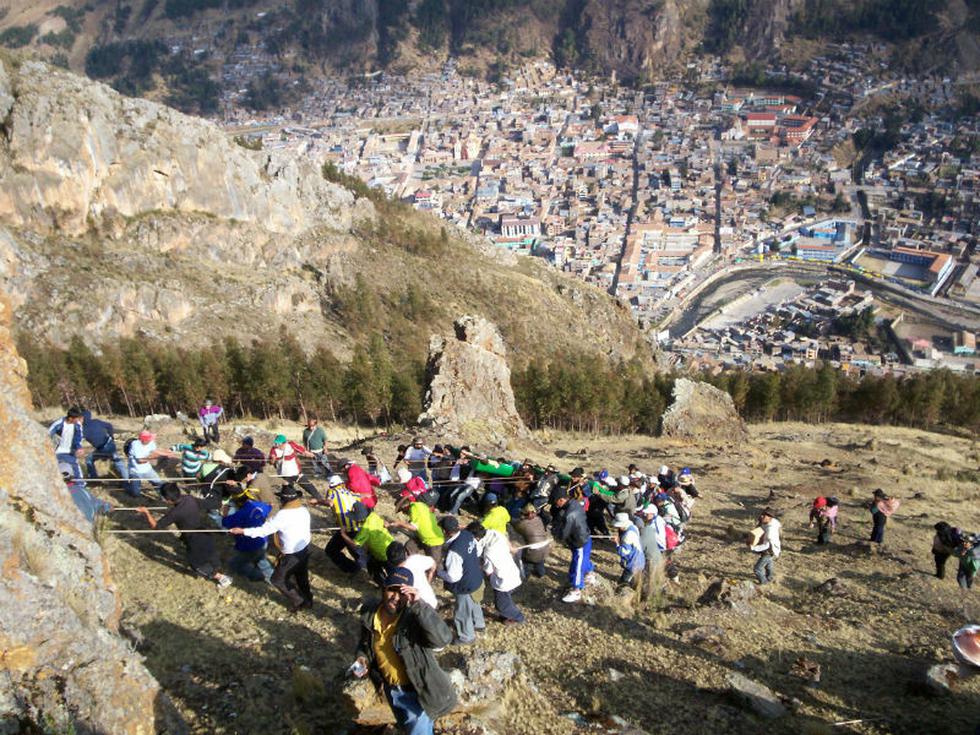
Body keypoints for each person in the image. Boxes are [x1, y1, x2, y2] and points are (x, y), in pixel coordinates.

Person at [351, 567, 457, 735]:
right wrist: (362, 658)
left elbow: (442, 638)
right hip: (391, 690)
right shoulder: (370, 613)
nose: (395, 597)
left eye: (402, 592)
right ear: (383, 589)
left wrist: (419, 604)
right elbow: (365, 644)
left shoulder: (413, 618)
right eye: (392, 590)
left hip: (417, 692)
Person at [230, 483, 313, 612]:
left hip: (291, 554)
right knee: (301, 577)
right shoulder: (303, 510)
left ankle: (299, 600)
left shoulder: (283, 515)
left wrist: (243, 531)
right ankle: (308, 599)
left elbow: (264, 531)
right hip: (304, 549)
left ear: (284, 500)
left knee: (277, 580)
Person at [138, 483, 231, 587]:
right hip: (204, 533)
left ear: (168, 499)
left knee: (196, 565)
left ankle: (222, 578)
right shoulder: (189, 498)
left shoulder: (175, 513)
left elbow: (156, 526)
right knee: (210, 553)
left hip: (194, 540)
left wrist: (146, 512)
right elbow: (207, 504)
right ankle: (216, 566)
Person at [436, 516, 484, 645]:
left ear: (445, 531)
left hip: (464, 585)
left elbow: (453, 577)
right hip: (476, 577)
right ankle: (478, 623)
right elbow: (478, 551)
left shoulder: (454, 551)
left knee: (462, 612)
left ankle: (466, 637)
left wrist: (439, 572)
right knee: (475, 601)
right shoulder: (467, 534)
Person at [221, 484, 274, 583]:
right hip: (263, 540)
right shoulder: (260, 505)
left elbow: (225, 523)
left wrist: (224, 512)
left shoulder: (239, 515)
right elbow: (269, 507)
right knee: (261, 559)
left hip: (249, 546)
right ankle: (273, 578)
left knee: (235, 564)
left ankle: (258, 577)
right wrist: (270, 505)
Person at [553, 487, 594, 603]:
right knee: (585, 559)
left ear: (561, 500)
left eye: (556, 501)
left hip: (578, 541)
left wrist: (556, 536)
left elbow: (563, 533)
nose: (555, 504)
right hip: (586, 535)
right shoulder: (575, 503)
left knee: (577, 564)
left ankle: (576, 590)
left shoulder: (569, 515)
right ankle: (590, 573)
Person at [324, 475, 368, 575]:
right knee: (356, 550)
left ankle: (353, 568)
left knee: (331, 550)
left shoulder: (332, 492)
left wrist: (318, 501)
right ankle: (361, 568)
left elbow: (330, 503)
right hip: (357, 527)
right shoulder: (348, 492)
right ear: (341, 483)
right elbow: (362, 496)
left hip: (346, 528)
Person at [388, 492, 446, 567]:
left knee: (434, 565)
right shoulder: (420, 505)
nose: (403, 512)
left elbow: (414, 527)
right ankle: (410, 565)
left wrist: (399, 523)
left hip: (433, 541)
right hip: (424, 537)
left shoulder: (414, 509)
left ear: (405, 506)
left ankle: (433, 575)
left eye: (402, 510)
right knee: (410, 546)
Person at [268, 435, 323, 502]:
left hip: (296, 472)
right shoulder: (274, 449)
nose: (277, 445)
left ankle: (319, 498)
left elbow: (303, 451)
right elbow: (271, 461)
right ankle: (290, 497)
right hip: (285, 475)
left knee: (307, 485)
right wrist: (272, 460)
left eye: (279, 443)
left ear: (284, 443)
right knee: (287, 494)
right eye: (276, 443)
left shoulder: (291, 445)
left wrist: (312, 455)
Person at [386, 541, 438, 609]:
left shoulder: (392, 576)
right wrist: (429, 578)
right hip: (430, 601)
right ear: (405, 553)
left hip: (415, 608)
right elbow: (433, 564)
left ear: (389, 560)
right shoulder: (415, 559)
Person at [81, 410, 128, 483]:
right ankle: (95, 479)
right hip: (104, 447)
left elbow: (77, 438)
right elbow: (109, 425)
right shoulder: (95, 422)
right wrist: (111, 436)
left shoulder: (84, 429)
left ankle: (127, 480)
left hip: (107, 446)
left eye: (81, 417)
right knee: (89, 459)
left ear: (83, 418)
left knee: (117, 461)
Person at [126, 431, 178, 497]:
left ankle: (162, 496)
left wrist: (167, 454)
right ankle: (126, 485)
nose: (150, 440)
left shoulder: (150, 442)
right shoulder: (135, 445)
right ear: (143, 440)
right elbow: (140, 461)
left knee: (160, 484)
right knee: (135, 493)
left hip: (148, 469)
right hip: (135, 472)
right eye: (149, 439)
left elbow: (155, 450)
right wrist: (152, 458)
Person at [355, 504, 396, 586]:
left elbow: (355, 544)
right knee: (393, 572)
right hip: (392, 546)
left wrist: (343, 534)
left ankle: (385, 586)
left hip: (382, 554)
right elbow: (384, 522)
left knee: (373, 568)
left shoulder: (365, 529)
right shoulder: (373, 516)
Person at [512, 503, 551, 579]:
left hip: (532, 554)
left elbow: (515, 525)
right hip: (545, 550)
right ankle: (541, 573)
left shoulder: (522, 524)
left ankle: (526, 575)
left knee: (526, 561)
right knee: (540, 561)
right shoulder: (539, 519)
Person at [48, 406, 85, 485]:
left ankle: (81, 485)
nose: (78, 420)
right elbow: (48, 434)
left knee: (75, 467)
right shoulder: (58, 423)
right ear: (71, 418)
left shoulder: (77, 425)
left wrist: (79, 448)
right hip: (57, 451)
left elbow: (78, 437)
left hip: (69, 452)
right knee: (53, 468)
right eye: (76, 418)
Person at [635, 504, 664, 600]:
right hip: (657, 554)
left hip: (653, 557)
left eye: (646, 514)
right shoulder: (655, 522)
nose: (644, 515)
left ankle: (649, 598)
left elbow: (639, 547)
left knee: (650, 579)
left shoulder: (650, 527)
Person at [613, 512, 645, 590]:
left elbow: (623, 552)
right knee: (636, 581)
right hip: (639, 559)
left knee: (622, 583)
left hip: (632, 563)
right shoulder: (633, 527)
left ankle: (624, 594)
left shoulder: (627, 536)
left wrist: (617, 543)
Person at [749, 508, 781, 585]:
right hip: (772, 550)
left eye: (764, 516)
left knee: (757, 569)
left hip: (769, 551)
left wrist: (754, 548)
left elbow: (767, 545)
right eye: (762, 514)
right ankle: (770, 577)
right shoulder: (770, 522)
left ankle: (764, 582)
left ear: (769, 518)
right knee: (768, 564)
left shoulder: (771, 530)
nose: (761, 516)